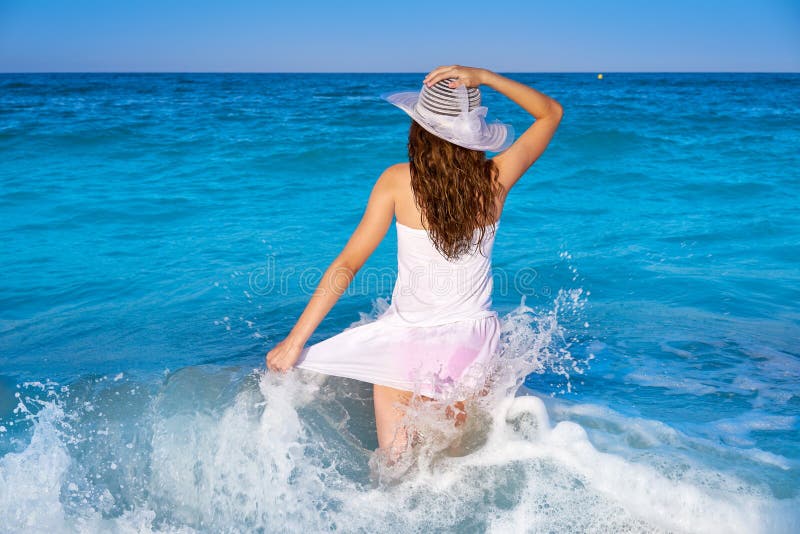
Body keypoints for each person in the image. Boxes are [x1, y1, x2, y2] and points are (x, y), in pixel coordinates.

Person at [266, 65, 563, 461]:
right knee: (447, 470)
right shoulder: (496, 179)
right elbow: (551, 113)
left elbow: (349, 263)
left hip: (405, 342)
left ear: (420, 130)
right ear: (473, 135)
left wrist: (295, 342)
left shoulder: (396, 181)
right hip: (471, 345)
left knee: (396, 468)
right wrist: (486, 77)